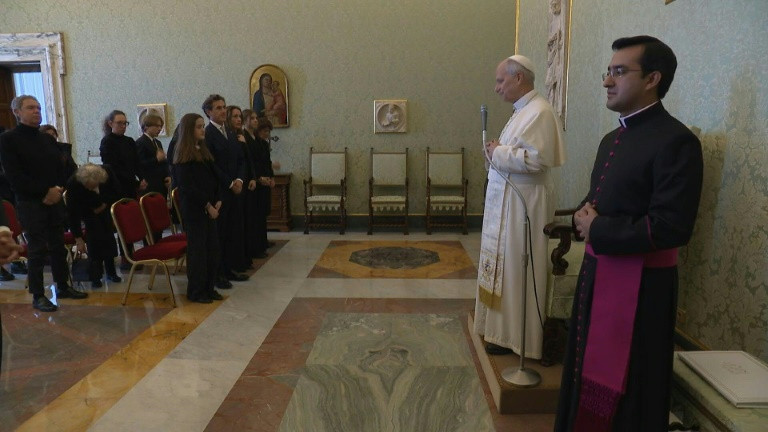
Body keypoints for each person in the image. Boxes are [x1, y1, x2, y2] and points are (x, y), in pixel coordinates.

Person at [554, 36, 703, 432]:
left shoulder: (677, 141)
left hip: (642, 291)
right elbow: (600, 199)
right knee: (582, 372)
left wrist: (597, 227)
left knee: (630, 392)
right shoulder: (612, 139)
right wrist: (582, 216)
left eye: (619, 72)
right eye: (608, 71)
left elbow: (671, 227)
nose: (607, 80)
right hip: (597, 276)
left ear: (653, 78)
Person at [474, 55, 566, 359]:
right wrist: (496, 152)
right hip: (509, 201)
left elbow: (538, 161)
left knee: (517, 267)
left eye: (501, 80)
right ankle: (498, 331)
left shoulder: (540, 111)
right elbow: (514, 153)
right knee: (504, 265)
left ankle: (516, 338)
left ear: (518, 78)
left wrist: (498, 152)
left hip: (524, 204)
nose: (497, 87)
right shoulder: (522, 111)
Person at [0, 95, 88, 312]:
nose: (37, 111)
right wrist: (44, 192)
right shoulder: (8, 139)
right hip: (30, 202)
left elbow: (62, 169)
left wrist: (58, 189)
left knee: (58, 246)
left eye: (38, 108)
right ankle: (38, 294)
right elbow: (14, 176)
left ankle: (63, 285)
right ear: (17, 112)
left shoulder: (46, 139)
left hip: (54, 199)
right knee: (37, 249)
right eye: (31, 108)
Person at [173, 113, 223, 304]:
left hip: (210, 208)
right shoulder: (183, 156)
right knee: (198, 253)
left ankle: (209, 288)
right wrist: (207, 205)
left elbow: (213, 178)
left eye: (203, 126)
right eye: (199, 127)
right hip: (195, 210)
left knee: (212, 250)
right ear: (189, 130)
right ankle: (196, 291)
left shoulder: (203, 151)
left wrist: (218, 199)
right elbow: (188, 187)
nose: (203, 130)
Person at [202, 95, 248, 289]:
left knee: (232, 232)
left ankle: (229, 269)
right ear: (209, 112)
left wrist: (240, 180)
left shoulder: (229, 131)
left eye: (224, 107)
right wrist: (230, 183)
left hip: (235, 189)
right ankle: (218, 274)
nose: (223, 111)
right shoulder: (208, 134)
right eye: (218, 108)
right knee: (219, 235)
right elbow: (212, 165)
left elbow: (241, 159)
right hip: (220, 191)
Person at [99, 110, 147, 270]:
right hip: (116, 188)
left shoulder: (129, 141)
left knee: (131, 221)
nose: (123, 126)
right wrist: (134, 182)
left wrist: (142, 178)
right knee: (121, 222)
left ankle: (131, 253)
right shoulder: (107, 142)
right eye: (119, 123)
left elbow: (136, 162)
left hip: (130, 186)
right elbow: (113, 168)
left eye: (125, 123)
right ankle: (125, 256)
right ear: (110, 123)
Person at [66, 164, 122, 288]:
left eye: (94, 186)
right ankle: (95, 275)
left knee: (108, 236)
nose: (91, 189)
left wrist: (103, 204)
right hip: (87, 210)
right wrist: (78, 238)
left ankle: (111, 271)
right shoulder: (74, 183)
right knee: (94, 238)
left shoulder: (107, 173)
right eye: (88, 186)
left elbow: (116, 191)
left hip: (105, 207)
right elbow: (72, 213)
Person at [244, 113, 274, 258]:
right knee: (254, 218)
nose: (255, 120)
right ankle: (255, 247)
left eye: (256, 118)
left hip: (263, 181)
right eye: (252, 118)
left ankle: (262, 244)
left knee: (261, 215)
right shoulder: (244, 138)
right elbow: (249, 162)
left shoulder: (258, 141)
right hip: (254, 182)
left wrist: (271, 177)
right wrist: (258, 178)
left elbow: (266, 162)